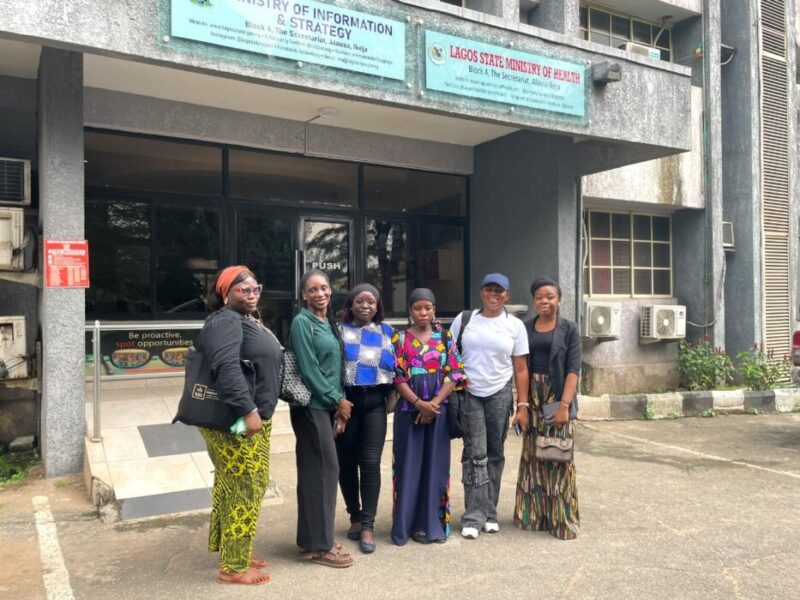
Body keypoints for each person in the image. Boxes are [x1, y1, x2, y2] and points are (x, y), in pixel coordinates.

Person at [198, 265, 281, 586]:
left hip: (253, 417)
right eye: (242, 290)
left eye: (255, 288)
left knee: (234, 483)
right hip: (237, 420)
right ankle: (233, 566)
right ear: (225, 294)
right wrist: (248, 411)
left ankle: (234, 550)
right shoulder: (225, 320)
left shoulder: (243, 319)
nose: (251, 294)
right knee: (247, 485)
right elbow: (226, 369)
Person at [449, 273, 530, 540]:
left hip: (499, 393)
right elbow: (450, 357)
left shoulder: (515, 326)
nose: (493, 295)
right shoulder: (465, 320)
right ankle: (473, 515)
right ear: (481, 292)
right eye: (488, 290)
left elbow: (520, 368)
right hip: (469, 393)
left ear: (507, 295)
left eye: (499, 291)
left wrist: (522, 405)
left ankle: (490, 512)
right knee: (475, 453)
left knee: (495, 452)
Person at [288, 269, 354, 568]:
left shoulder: (327, 322)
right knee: (325, 472)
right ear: (304, 294)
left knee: (319, 472)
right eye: (312, 289)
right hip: (311, 406)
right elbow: (309, 369)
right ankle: (320, 546)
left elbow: (335, 366)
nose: (320, 294)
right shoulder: (302, 322)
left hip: (325, 406)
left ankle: (314, 539)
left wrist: (338, 405)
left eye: (324, 288)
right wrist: (336, 401)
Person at [391, 288, 466, 545]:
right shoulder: (399, 339)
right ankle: (406, 525)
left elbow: (455, 373)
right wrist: (418, 403)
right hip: (408, 410)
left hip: (438, 410)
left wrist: (432, 404)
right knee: (408, 467)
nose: (423, 313)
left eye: (428, 308)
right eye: (417, 308)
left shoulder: (445, 337)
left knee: (435, 468)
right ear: (410, 311)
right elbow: (397, 376)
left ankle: (432, 526)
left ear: (434, 309)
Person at [514, 277, 580, 540]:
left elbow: (574, 369)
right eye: (540, 297)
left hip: (556, 396)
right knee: (533, 455)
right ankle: (535, 516)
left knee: (558, 456)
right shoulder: (525, 327)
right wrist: (523, 405)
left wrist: (564, 406)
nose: (545, 301)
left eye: (550, 296)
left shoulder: (569, 329)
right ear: (534, 300)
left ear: (559, 299)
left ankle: (562, 520)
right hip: (532, 396)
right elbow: (520, 367)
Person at [336, 283, 395, 553]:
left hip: (374, 406)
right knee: (346, 463)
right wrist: (337, 401)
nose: (365, 306)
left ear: (377, 306)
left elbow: (400, 368)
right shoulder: (338, 331)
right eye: (359, 301)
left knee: (370, 463)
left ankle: (369, 525)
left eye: (371, 302)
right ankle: (355, 517)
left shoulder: (388, 332)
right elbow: (331, 368)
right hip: (346, 406)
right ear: (350, 304)